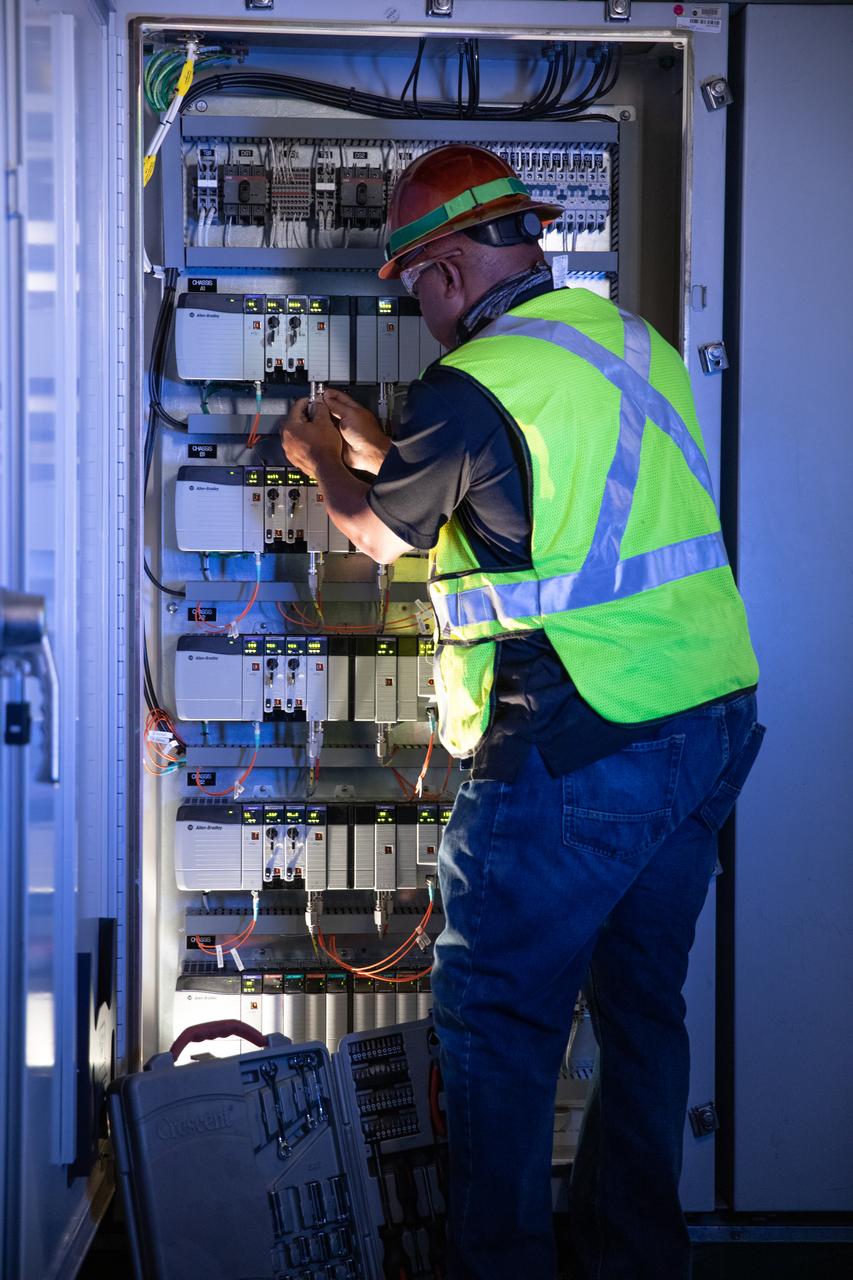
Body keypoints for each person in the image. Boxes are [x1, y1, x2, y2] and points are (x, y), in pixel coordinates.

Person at [282, 144, 764, 1280]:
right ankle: (630, 1259)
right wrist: (381, 445)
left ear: (447, 268)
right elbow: (513, 492)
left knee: (495, 1025)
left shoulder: (477, 381)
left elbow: (383, 533)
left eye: (414, 290)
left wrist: (316, 456)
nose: (419, 312)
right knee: (642, 1011)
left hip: (577, 742)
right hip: (705, 720)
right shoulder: (621, 341)